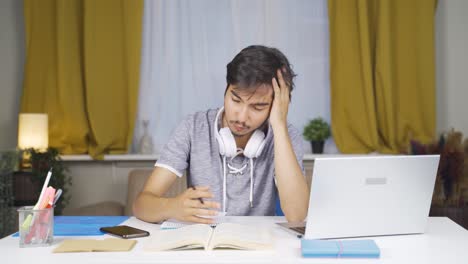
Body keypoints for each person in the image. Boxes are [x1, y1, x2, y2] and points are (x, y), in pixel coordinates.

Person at [133, 45, 309, 224]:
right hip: (203, 245)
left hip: (259, 247)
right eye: (235, 100)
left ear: (277, 105)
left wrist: (279, 126)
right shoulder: (193, 127)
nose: (241, 117)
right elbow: (141, 205)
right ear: (226, 89)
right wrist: (172, 207)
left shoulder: (286, 136)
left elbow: (297, 215)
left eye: (258, 107)